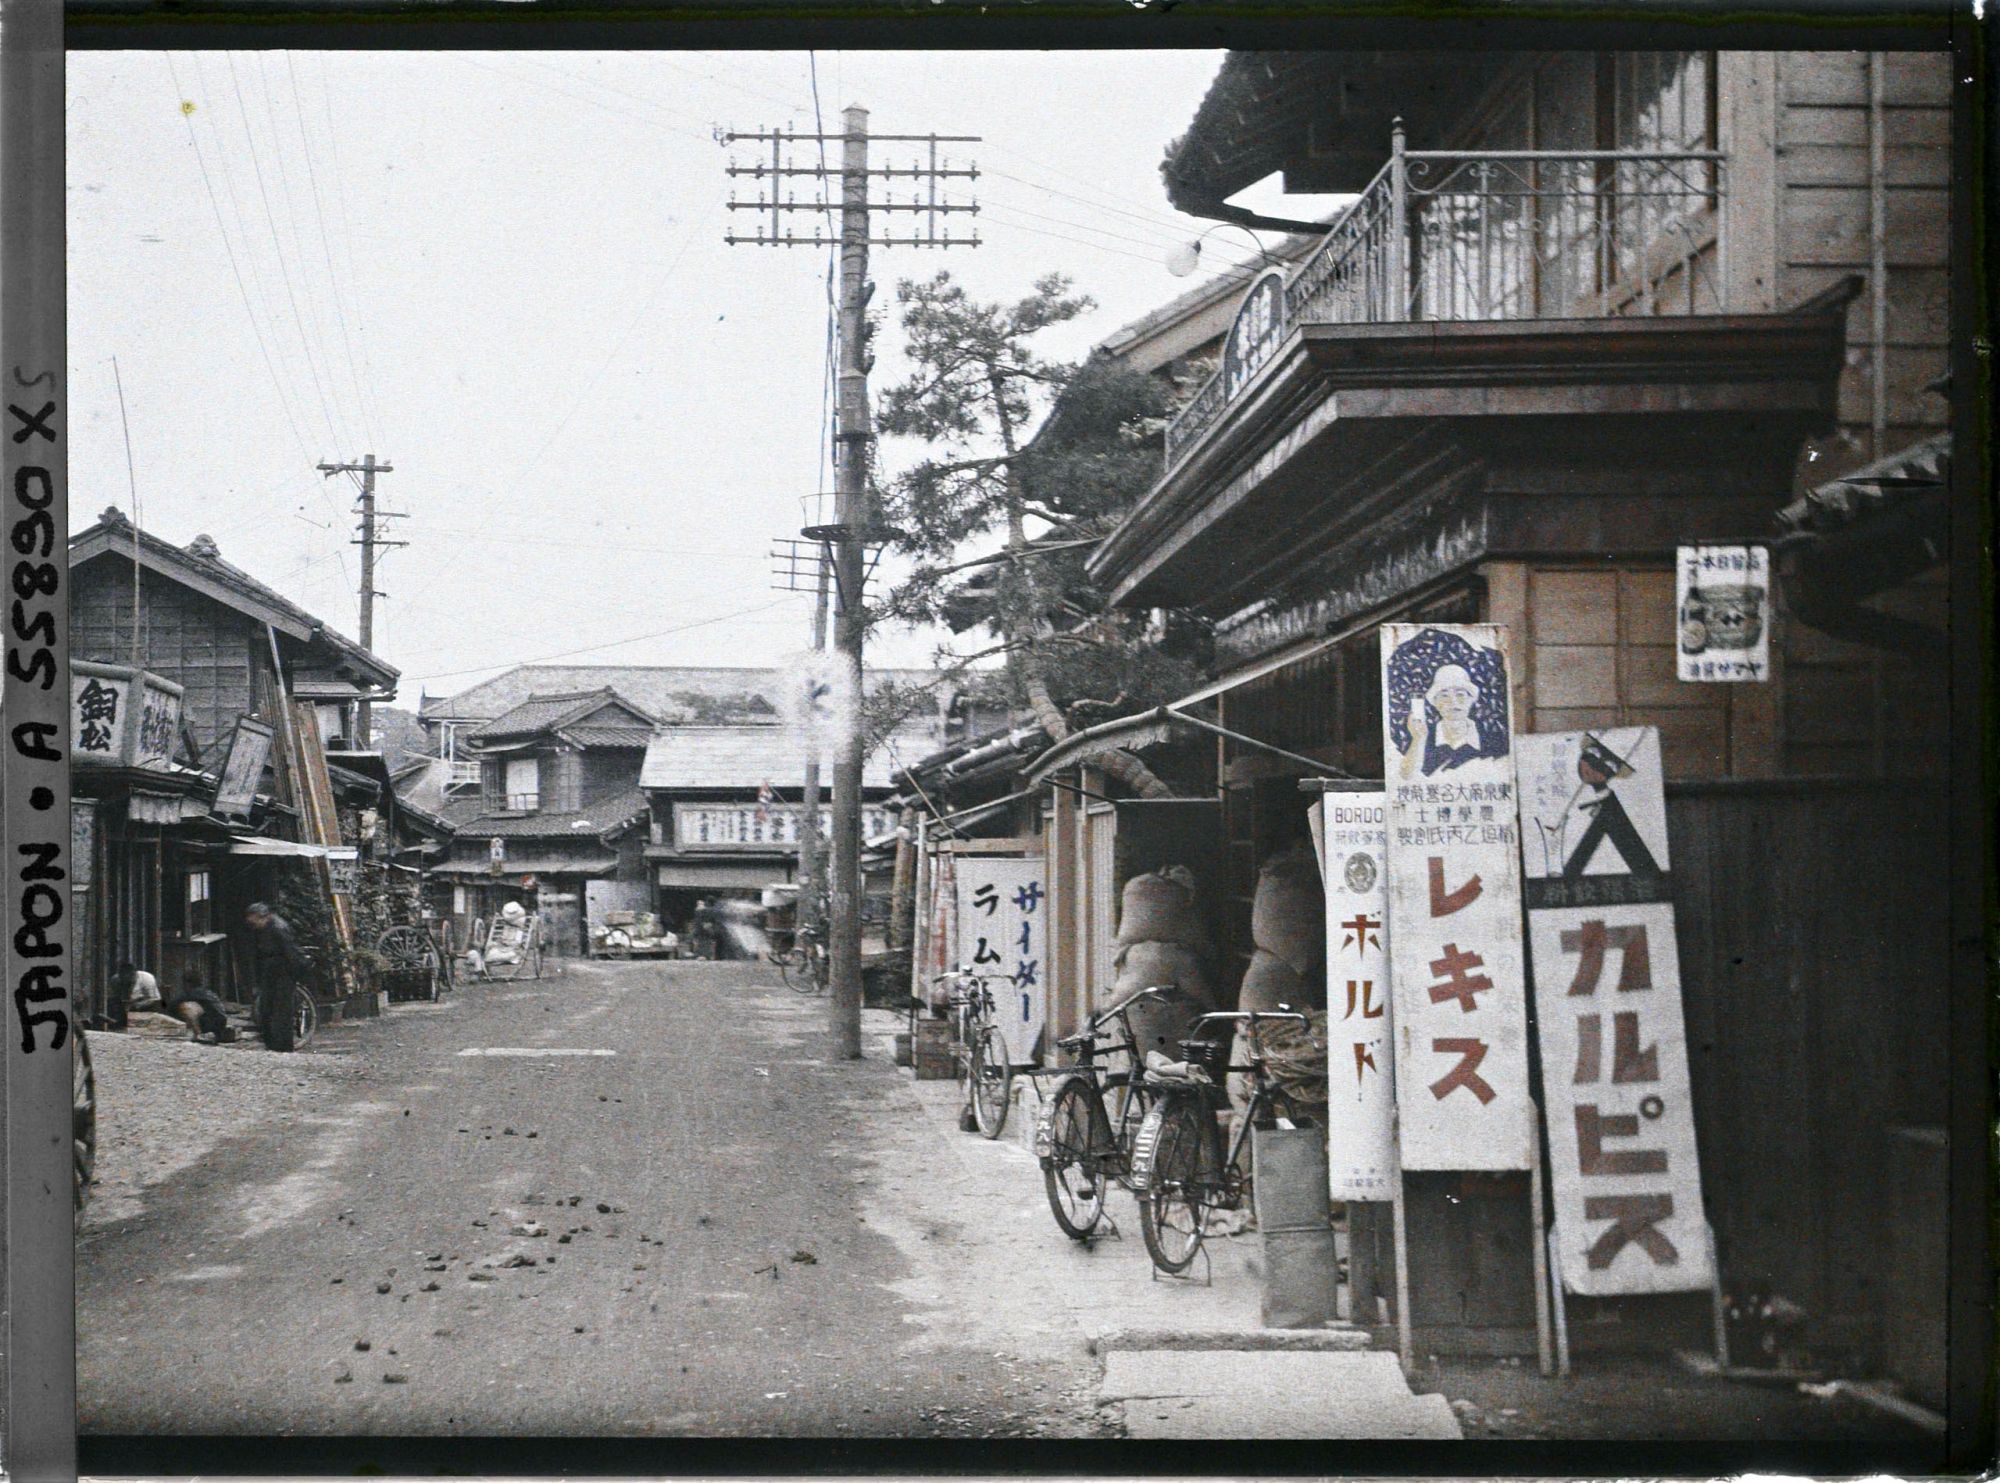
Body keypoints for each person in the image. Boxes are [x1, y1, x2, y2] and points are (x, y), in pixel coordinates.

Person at [244, 901, 308, 1052]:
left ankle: (283, 1046)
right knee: (267, 1008)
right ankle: (272, 1044)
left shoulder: (279, 928)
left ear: (262, 917)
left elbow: (290, 952)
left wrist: (293, 974)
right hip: (270, 970)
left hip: (282, 971)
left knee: (282, 1010)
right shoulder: (264, 928)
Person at [164, 967, 237, 1044]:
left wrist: (165, 1004)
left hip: (212, 1024)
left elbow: (173, 1004)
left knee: (186, 1006)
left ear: (188, 983)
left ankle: (199, 1034)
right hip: (220, 1024)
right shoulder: (206, 992)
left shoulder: (194, 993)